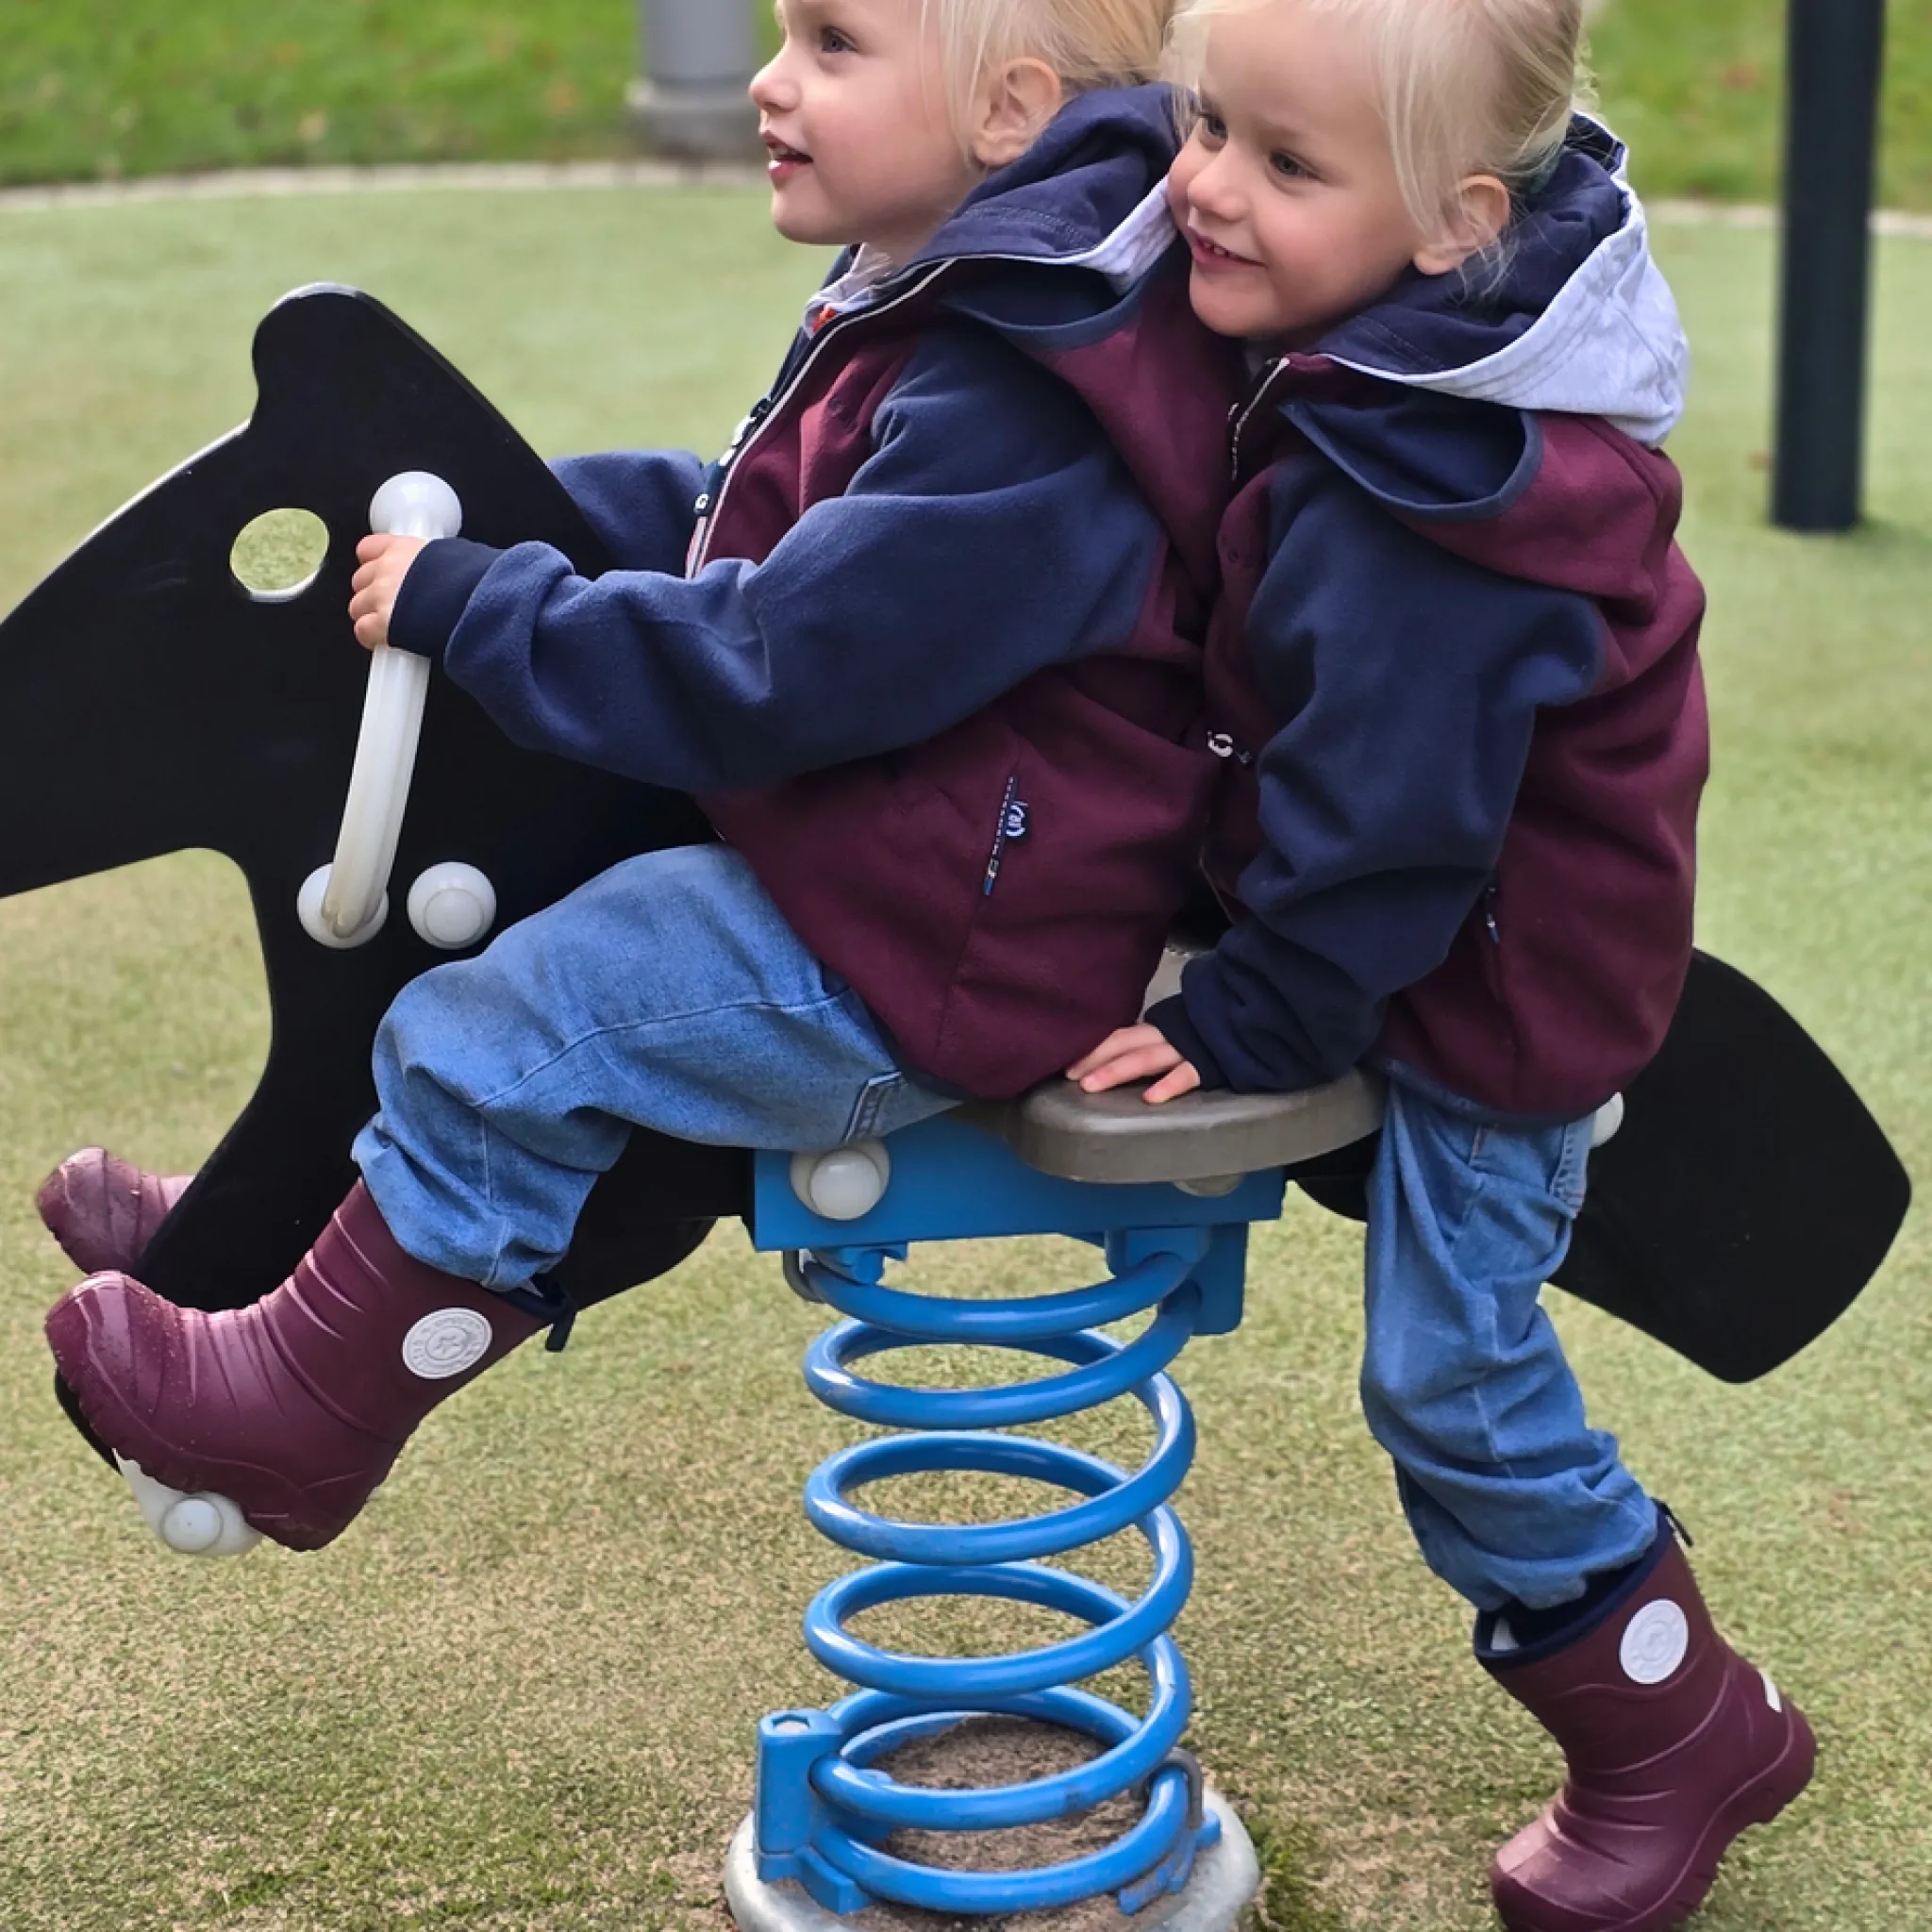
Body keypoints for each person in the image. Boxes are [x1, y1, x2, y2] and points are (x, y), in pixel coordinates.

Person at [43, 0, 1241, 1554]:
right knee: (523, 911)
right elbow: (774, 524)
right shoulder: (974, 280)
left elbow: (790, 660)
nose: (770, 79)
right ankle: (301, 1236)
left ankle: (300, 1408)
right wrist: (538, 522)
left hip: (938, 942)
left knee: (516, 1023)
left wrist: (494, 605)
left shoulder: (1024, 382)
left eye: (831, 43)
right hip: (894, 861)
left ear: (1009, 108)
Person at [1068, 2, 1813, 1926]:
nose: (1203, 185)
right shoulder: (1385, 362)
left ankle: (1679, 1727)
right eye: (1205, 121)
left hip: (1483, 998)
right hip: (1437, 931)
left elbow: (1386, 824)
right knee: (1447, 1343)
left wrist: (1241, 1013)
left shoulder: (1427, 498)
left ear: (1457, 227)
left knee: (1453, 1375)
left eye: (1283, 165)